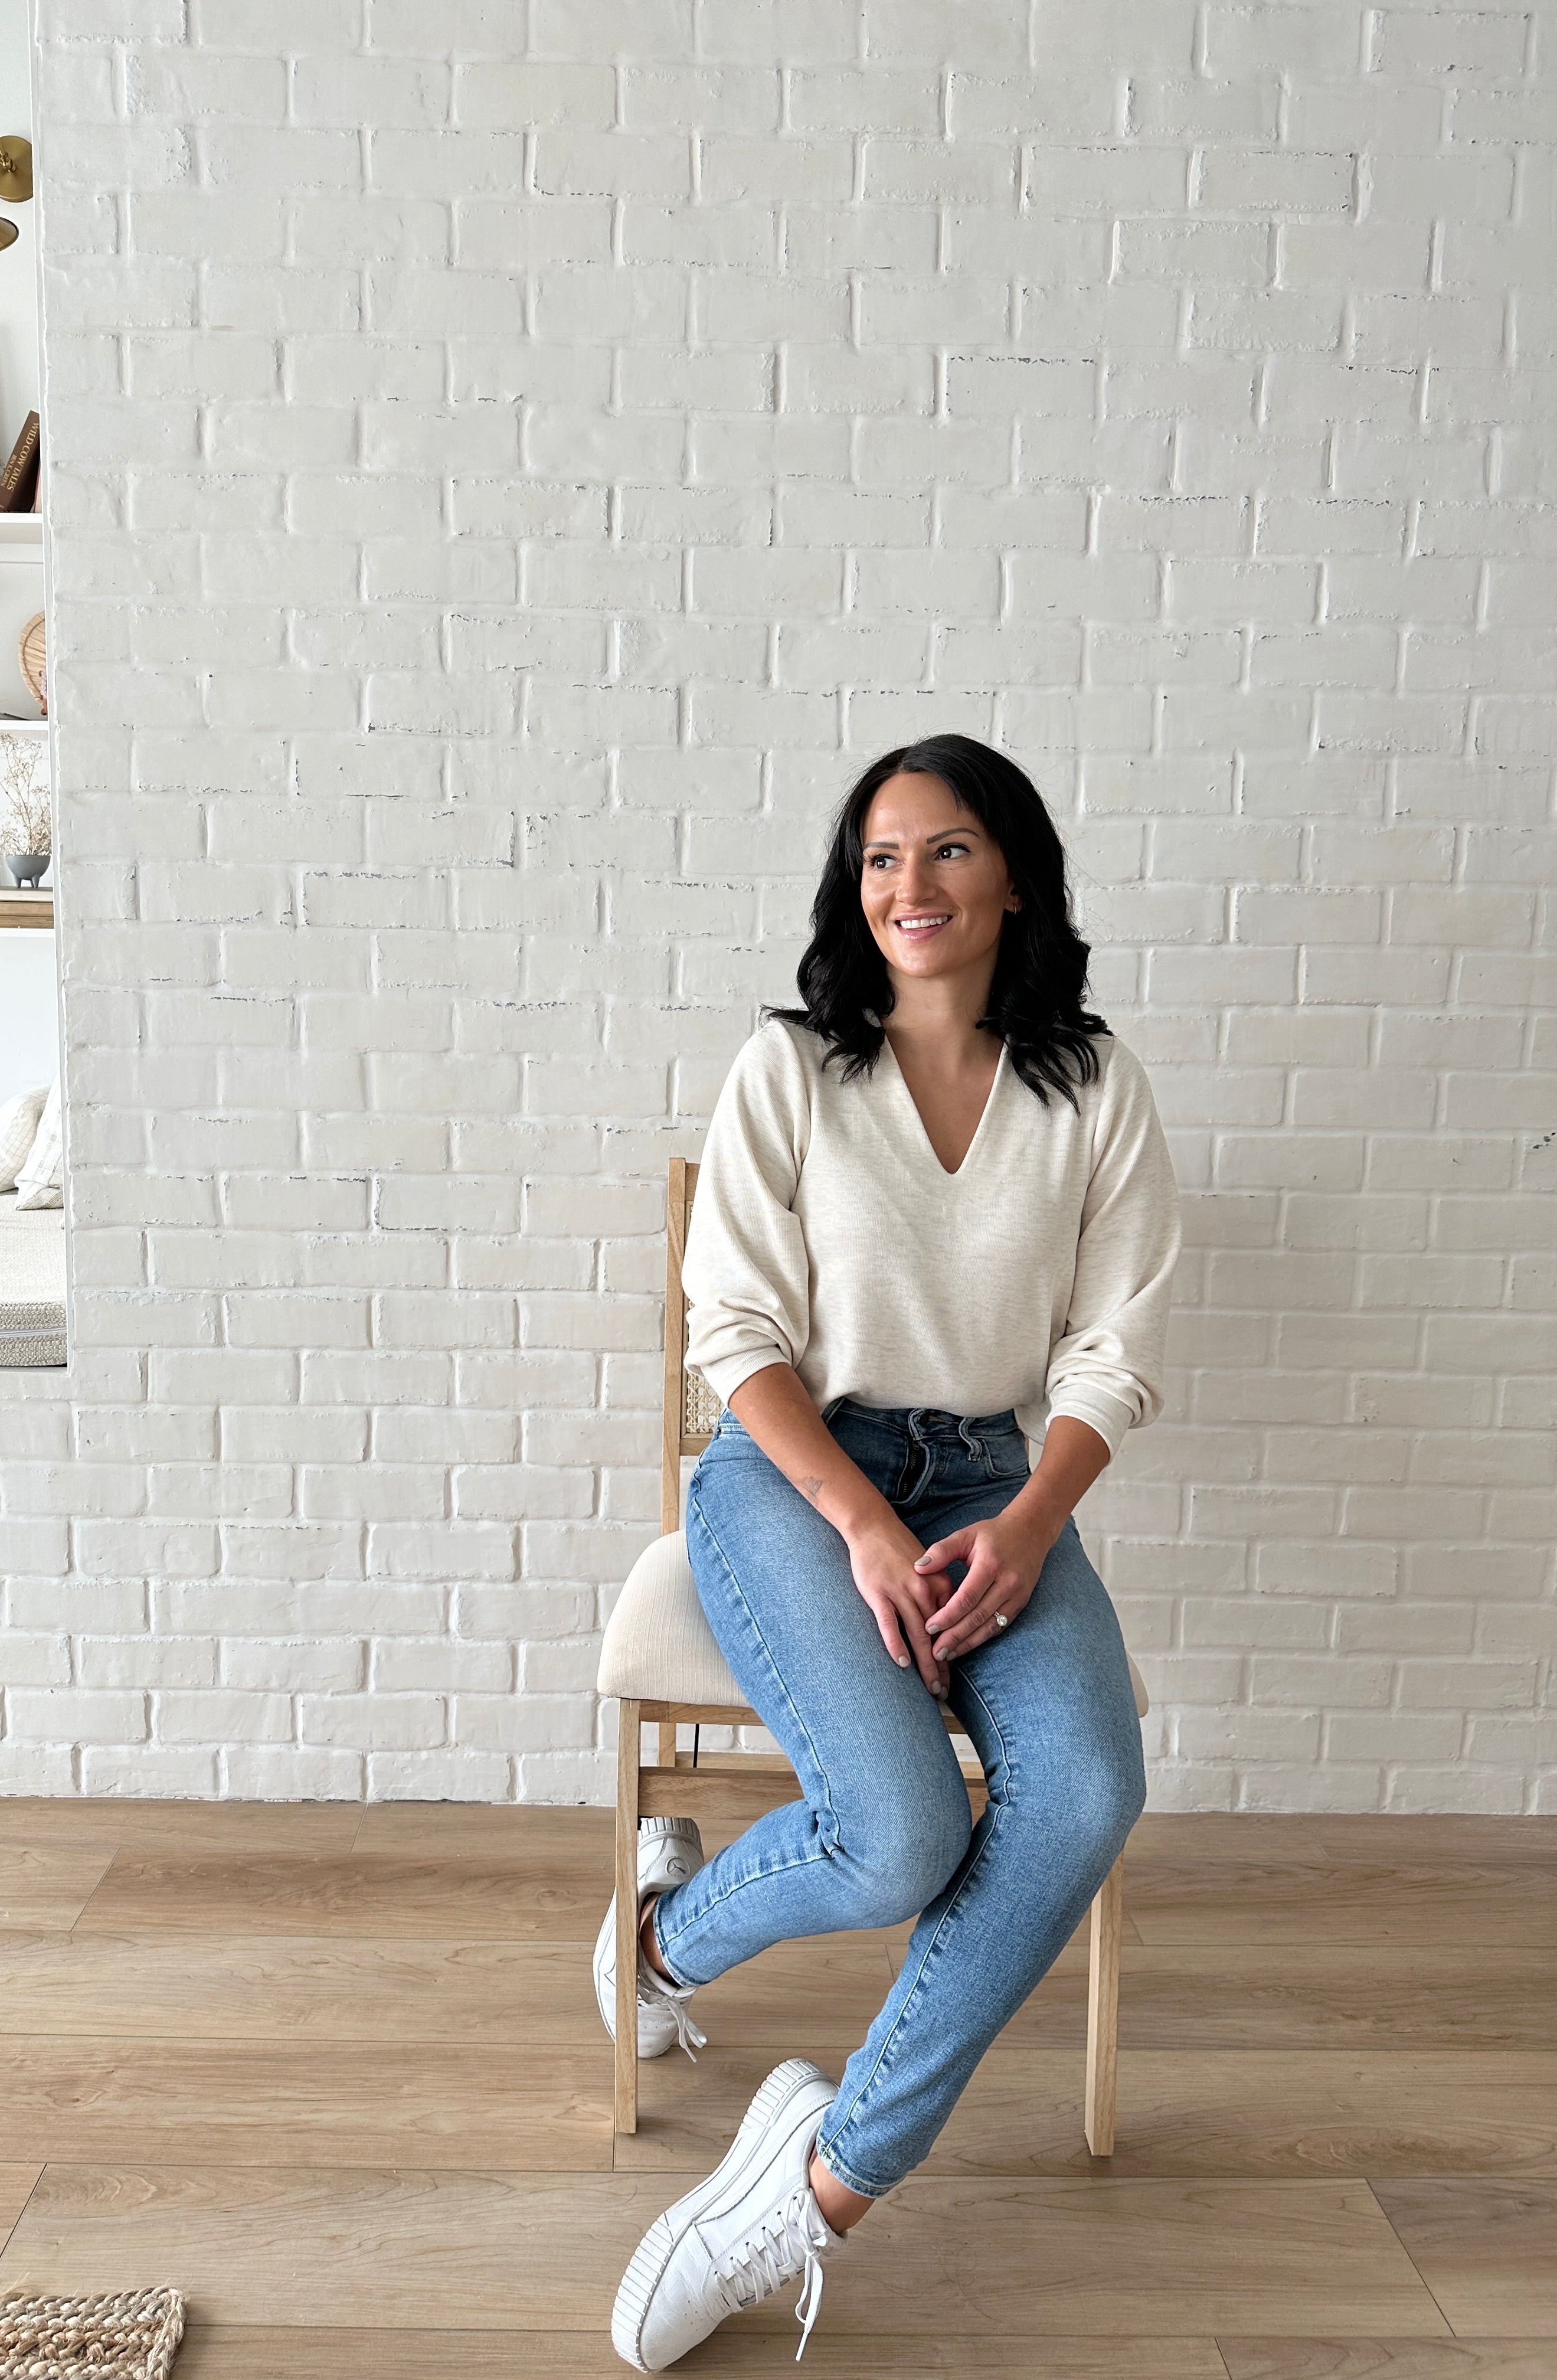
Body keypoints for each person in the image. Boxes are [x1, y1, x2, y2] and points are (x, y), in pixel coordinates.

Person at [596, 735, 1182, 2372]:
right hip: (797, 1475)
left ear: (1013, 878)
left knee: (1086, 1791)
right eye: (878, 859)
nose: (907, 889)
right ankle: (653, 1944)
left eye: (944, 853)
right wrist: (859, 1520)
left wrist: (1028, 1523)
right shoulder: (792, 1069)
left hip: (1004, 1485)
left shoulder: (1092, 1086)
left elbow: (1114, 1350)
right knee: (900, 1835)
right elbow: (733, 1329)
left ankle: (812, 2190)